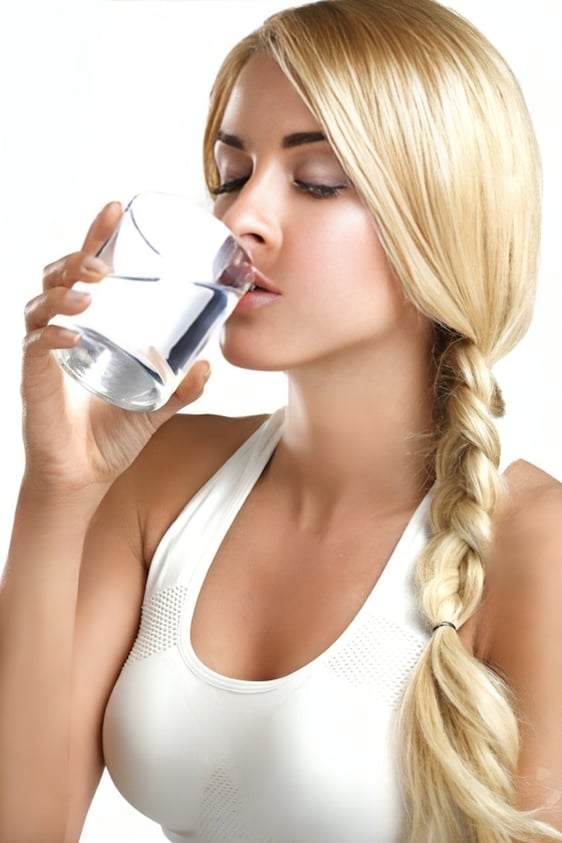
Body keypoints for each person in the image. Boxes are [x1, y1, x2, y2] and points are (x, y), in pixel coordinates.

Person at [1, 0, 561, 840]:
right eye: (232, 173)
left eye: (318, 181)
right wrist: (59, 488)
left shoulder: (538, 549)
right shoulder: (164, 477)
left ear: (441, 222)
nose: (239, 220)